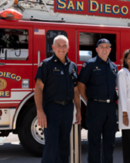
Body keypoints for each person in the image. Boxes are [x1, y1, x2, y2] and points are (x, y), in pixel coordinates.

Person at [34, 35, 81, 163]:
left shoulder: (73, 66)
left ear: (68, 48)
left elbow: (76, 90)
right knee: (51, 145)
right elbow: (38, 88)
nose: (61, 48)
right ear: (53, 47)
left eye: (64, 45)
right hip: (51, 109)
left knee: (64, 145)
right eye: (59, 45)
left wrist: (78, 110)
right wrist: (40, 112)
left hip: (67, 108)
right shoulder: (46, 64)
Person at [78, 38, 118, 163]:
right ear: (97, 49)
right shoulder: (89, 64)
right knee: (94, 141)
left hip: (111, 108)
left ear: (110, 50)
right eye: (102, 47)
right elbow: (80, 84)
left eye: (107, 47)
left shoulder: (113, 66)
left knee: (110, 142)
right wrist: (88, 100)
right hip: (95, 107)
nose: (105, 49)